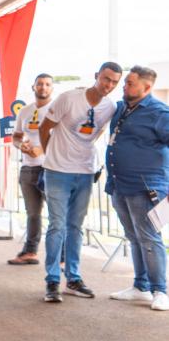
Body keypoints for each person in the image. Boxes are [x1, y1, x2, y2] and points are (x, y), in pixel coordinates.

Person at [39, 62, 122, 302]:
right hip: (57, 170)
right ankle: (52, 280)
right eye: (106, 79)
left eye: (114, 82)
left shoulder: (111, 107)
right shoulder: (69, 98)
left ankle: (73, 278)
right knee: (57, 225)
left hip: (85, 171)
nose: (109, 85)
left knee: (75, 227)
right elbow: (45, 129)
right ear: (96, 76)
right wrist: (50, 156)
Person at [105, 66, 169, 311]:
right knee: (134, 238)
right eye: (125, 83)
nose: (125, 87)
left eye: (130, 83)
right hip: (120, 185)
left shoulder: (160, 113)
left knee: (150, 239)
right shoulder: (122, 108)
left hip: (147, 188)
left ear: (147, 87)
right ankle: (140, 286)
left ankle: (160, 290)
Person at [8, 73, 54, 265]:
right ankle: (30, 251)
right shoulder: (25, 111)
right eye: (40, 84)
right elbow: (16, 136)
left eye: (47, 84)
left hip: (50, 168)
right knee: (33, 213)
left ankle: (61, 257)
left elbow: (64, 138)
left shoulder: (56, 109)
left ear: (52, 88)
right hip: (28, 168)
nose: (43, 87)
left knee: (57, 215)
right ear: (33, 87)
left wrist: (42, 148)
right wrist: (22, 146)